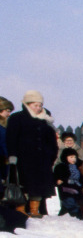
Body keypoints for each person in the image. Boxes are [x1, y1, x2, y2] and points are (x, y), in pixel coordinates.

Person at [6, 90, 58, 218]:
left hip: (42, 160)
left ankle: (34, 209)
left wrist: (50, 156)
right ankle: (20, 208)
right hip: (23, 158)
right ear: (27, 104)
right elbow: (11, 138)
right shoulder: (17, 118)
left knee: (38, 185)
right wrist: (13, 155)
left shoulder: (45, 121)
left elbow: (52, 142)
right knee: (22, 183)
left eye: (40, 105)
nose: (38, 108)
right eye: (35, 105)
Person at [52, 149, 83, 220]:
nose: (74, 159)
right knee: (70, 201)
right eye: (71, 157)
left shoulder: (77, 167)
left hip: (77, 187)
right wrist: (58, 180)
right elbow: (57, 175)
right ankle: (73, 216)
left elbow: (81, 177)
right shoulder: (60, 166)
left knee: (79, 202)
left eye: (75, 157)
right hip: (66, 188)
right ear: (66, 157)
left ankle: (76, 217)